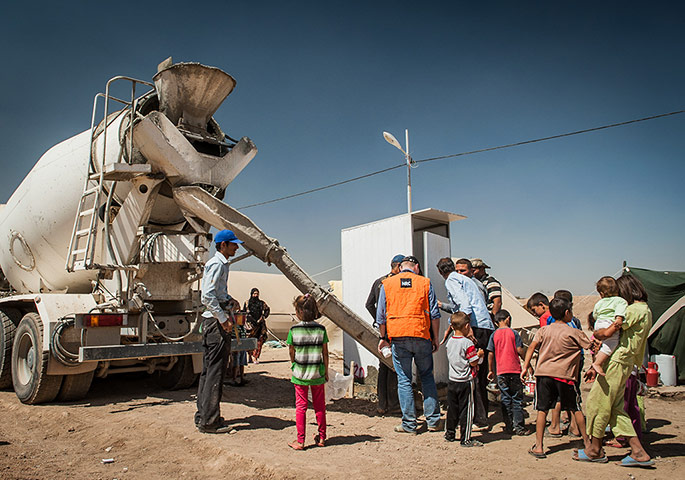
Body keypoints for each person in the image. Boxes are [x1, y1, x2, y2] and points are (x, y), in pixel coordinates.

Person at [576, 274, 654, 467]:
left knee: (598, 402)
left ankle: (595, 449)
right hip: (621, 361)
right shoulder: (644, 309)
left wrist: (597, 334)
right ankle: (637, 451)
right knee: (616, 408)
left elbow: (610, 329)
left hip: (618, 361)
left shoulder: (634, 310)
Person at [376, 256, 442, 434]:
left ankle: (409, 424)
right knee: (427, 376)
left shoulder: (387, 284)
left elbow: (381, 315)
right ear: (417, 267)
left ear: (399, 267)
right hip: (421, 335)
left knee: (404, 379)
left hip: (398, 337)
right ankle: (434, 421)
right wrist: (435, 338)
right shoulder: (425, 283)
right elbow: (434, 314)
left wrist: (384, 337)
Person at [521, 298, 592, 459]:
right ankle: (588, 444)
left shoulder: (543, 330)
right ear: (568, 313)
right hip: (565, 376)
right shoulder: (574, 332)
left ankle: (539, 446)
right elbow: (591, 346)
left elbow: (532, 347)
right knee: (575, 408)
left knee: (542, 410)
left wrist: (525, 367)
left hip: (544, 375)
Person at [436, 257, 494, 431]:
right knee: (479, 374)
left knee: (471, 374)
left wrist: (466, 331)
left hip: (474, 326)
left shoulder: (452, 280)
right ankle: (481, 415)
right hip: (484, 325)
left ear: (440, 272)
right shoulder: (466, 280)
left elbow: (464, 306)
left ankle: (477, 418)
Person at [195, 229, 242, 434]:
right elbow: (207, 296)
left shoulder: (220, 264)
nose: (236, 247)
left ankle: (204, 415)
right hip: (215, 323)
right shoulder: (217, 264)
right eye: (233, 244)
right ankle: (210, 422)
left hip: (211, 321)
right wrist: (223, 320)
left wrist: (230, 300)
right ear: (223, 245)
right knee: (215, 372)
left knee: (208, 371)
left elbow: (217, 293)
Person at [287, 294, 329, 450]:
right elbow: (325, 352)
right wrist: (325, 371)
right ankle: (322, 437)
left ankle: (300, 441)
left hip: (300, 374)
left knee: (301, 407)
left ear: (298, 311)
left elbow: (291, 351)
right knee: (319, 406)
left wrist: (294, 365)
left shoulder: (293, 330)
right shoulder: (321, 329)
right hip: (317, 373)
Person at [365, 254, 403, 415]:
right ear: (399, 266)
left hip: (382, 329)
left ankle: (382, 403)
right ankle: (394, 404)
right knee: (395, 365)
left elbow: (368, 304)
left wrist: (378, 320)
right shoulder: (397, 283)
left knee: (383, 364)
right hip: (395, 328)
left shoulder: (378, 281)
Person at [445, 312, 484, 447]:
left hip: (452, 379)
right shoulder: (467, 343)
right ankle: (465, 438)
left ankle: (449, 433)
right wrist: (479, 354)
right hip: (465, 380)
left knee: (452, 408)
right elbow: (473, 362)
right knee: (466, 410)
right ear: (467, 326)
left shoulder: (450, 342)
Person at [486, 310, 526, 435]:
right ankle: (519, 427)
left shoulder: (494, 335)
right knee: (517, 399)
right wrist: (527, 363)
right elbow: (520, 350)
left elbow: (490, 354)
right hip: (514, 371)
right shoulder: (514, 333)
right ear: (508, 319)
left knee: (505, 399)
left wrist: (491, 370)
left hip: (501, 372)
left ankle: (508, 426)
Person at [590, 276, 628, 377]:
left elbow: (595, 315)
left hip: (599, 323)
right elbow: (620, 311)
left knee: (604, 344)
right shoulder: (620, 301)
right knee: (611, 345)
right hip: (610, 323)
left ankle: (598, 357)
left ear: (601, 293)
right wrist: (619, 319)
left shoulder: (599, 303)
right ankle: (598, 363)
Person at [244, 288, 270, 363]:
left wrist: (263, 317)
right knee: (249, 341)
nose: (256, 295)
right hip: (250, 325)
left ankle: (255, 357)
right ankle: (249, 356)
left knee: (259, 340)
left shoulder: (262, 303)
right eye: (254, 294)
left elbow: (267, 310)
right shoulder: (247, 303)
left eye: (257, 294)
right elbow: (244, 312)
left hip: (260, 325)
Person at [229, 320, 248, 385]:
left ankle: (242, 378)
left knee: (242, 363)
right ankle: (234, 379)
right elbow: (234, 336)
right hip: (237, 347)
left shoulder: (243, 327)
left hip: (242, 346)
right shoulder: (235, 327)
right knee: (235, 364)